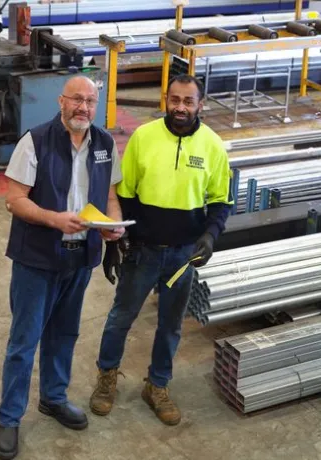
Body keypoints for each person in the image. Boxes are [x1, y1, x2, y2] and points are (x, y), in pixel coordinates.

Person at [89, 74, 233, 426]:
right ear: (164, 100)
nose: (180, 107)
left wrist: (210, 236)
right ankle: (106, 378)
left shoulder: (213, 146)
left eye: (188, 101)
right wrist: (115, 243)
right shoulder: (144, 138)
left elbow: (220, 201)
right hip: (144, 250)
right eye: (175, 100)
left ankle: (157, 385)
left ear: (201, 105)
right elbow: (124, 194)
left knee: (170, 326)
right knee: (121, 318)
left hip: (184, 256)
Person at [0, 75, 125, 460]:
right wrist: (55, 220)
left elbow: (111, 195)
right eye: (76, 100)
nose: (83, 107)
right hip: (37, 257)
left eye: (89, 101)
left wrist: (112, 223)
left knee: (64, 334)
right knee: (24, 341)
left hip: (80, 258)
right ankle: (10, 418)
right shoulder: (34, 141)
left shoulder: (104, 143)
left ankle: (53, 398)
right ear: (61, 101)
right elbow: (14, 200)